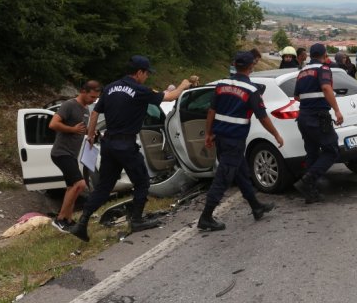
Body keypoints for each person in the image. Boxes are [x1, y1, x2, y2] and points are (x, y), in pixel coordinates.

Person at [68, 55, 191, 242]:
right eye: (147, 73)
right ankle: (136, 220)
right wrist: (184, 84)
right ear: (139, 72)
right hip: (126, 145)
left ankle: (82, 223)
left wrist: (91, 135)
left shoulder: (109, 88)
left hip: (108, 144)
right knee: (142, 182)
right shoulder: (139, 90)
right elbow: (171, 97)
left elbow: (94, 112)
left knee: (104, 187)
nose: (147, 77)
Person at [197, 51, 284, 231]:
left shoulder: (221, 85)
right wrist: (276, 134)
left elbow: (211, 111)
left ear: (234, 65)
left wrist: (208, 133)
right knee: (223, 179)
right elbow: (262, 117)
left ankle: (256, 207)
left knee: (241, 173)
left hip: (221, 139)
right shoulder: (251, 90)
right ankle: (206, 217)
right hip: (234, 142)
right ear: (251, 66)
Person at [48, 80, 102, 233]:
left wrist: (91, 134)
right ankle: (59, 219)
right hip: (61, 152)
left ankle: (69, 220)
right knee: (80, 184)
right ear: (83, 91)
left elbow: (82, 129)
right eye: (92, 97)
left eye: (96, 97)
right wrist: (71, 129)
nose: (94, 100)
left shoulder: (85, 109)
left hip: (72, 154)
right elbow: (53, 124)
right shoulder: (69, 105)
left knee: (72, 187)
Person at [293, 43, 344, 203]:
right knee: (332, 150)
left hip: (303, 117)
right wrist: (336, 110)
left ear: (310, 55)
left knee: (312, 153)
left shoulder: (301, 72)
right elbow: (326, 88)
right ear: (324, 55)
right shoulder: (323, 69)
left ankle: (310, 193)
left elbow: (296, 97)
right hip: (318, 117)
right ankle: (308, 179)